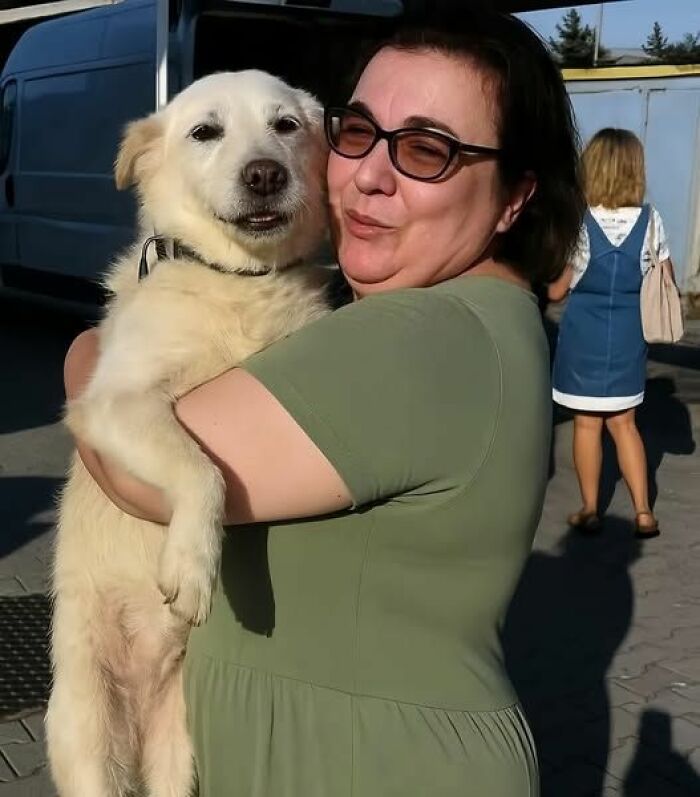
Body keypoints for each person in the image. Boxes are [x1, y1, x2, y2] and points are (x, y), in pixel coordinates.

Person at [64, 7, 584, 796]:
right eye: (360, 132)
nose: (373, 172)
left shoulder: (418, 342)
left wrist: (86, 354)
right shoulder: (472, 317)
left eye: (427, 150)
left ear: (515, 197)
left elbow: (131, 470)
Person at [549, 127, 677, 539]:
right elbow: (664, 278)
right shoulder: (651, 219)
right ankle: (643, 512)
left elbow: (557, 289)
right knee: (625, 424)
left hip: (583, 336)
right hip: (627, 336)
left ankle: (590, 509)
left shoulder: (579, 223)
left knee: (587, 425)